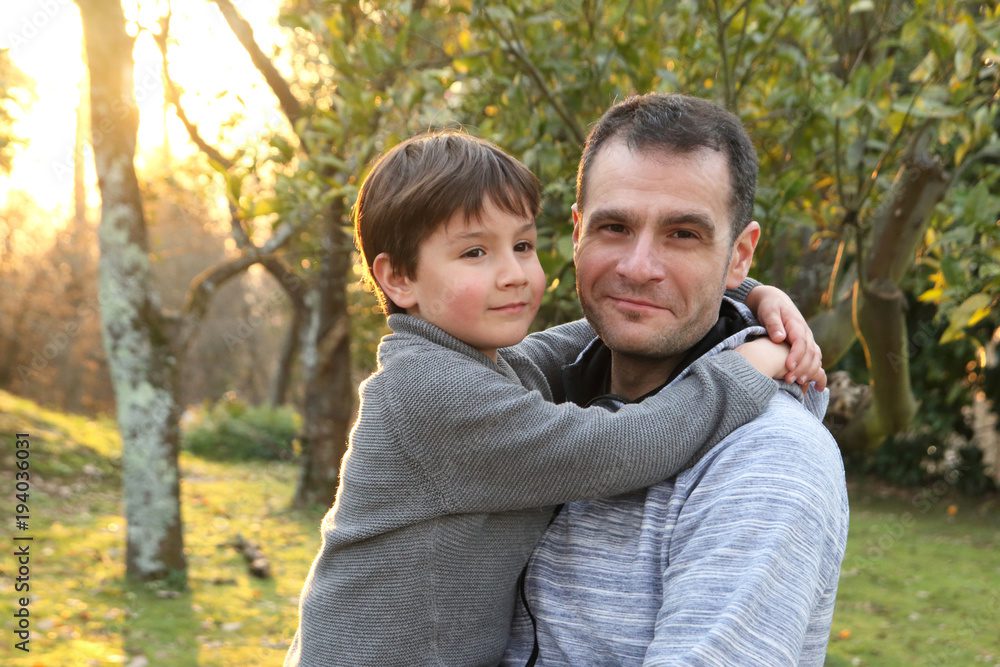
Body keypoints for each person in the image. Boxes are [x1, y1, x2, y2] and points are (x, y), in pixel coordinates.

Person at [284, 131, 825, 666]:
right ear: (399, 278)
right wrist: (743, 368)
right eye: (475, 252)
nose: (514, 274)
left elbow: (600, 328)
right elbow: (618, 448)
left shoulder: (479, 366)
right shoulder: (433, 393)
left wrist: (747, 293)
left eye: (521, 246)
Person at [503, 93, 850, 666]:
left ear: (739, 255)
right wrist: (752, 293)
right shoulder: (535, 393)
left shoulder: (769, 459)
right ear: (576, 233)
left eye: (683, 235)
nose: (638, 267)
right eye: (614, 226)